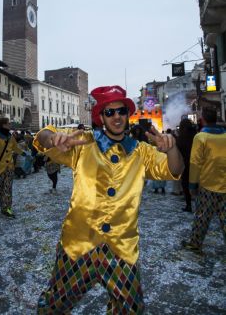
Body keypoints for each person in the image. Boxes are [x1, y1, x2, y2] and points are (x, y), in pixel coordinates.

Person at [34, 85, 184, 314]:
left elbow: (175, 169)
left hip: (121, 249)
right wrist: (53, 137)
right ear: (101, 117)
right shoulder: (83, 144)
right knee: (54, 305)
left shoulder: (141, 152)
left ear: (127, 114)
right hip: (78, 245)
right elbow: (42, 138)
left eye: (121, 111)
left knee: (131, 309)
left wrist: (171, 149)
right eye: (110, 112)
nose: (116, 117)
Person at [182, 107, 226, 253]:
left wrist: (192, 184)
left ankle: (195, 243)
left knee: (202, 216)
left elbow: (195, 162)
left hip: (208, 184)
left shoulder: (201, 137)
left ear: (203, 120)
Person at [176, 118, 196, 212]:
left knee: (185, 184)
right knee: (197, 183)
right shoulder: (196, 135)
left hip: (185, 164)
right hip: (196, 163)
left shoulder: (181, 137)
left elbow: (178, 151)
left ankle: (189, 205)